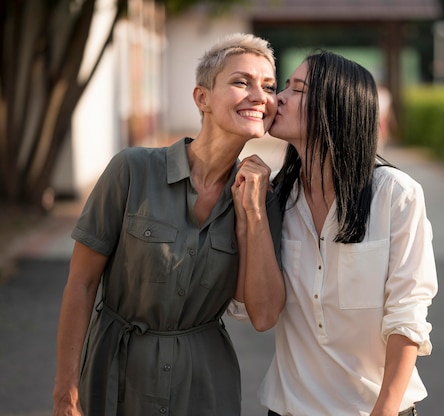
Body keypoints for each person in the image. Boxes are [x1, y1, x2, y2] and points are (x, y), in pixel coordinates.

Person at [52, 33, 284, 416]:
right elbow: (81, 283)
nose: (260, 95)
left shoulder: (262, 197)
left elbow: (262, 315)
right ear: (202, 98)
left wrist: (253, 217)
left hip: (204, 387)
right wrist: (66, 393)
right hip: (117, 377)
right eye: (241, 81)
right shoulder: (132, 170)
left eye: (269, 86)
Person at [258, 50, 438, 415]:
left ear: (334, 107)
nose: (278, 98)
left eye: (297, 89)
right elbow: (253, 312)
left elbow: (407, 313)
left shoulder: (396, 195)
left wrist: (384, 411)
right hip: (290, 408)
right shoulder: (274, 198)